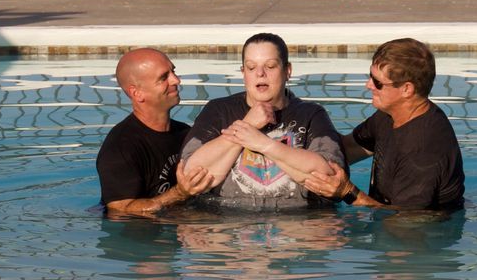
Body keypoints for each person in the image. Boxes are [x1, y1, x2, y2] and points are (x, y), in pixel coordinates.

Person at [177, 32, 344, 209]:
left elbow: (328, 177)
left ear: (288, 71)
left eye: (270, 66)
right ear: (243, 73)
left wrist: (265, 145)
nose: (260, 73)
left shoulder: (310, 114)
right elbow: (191, 175)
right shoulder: (218, 110)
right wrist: (246, 126)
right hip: (227, 221)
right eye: (251, 67)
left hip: (297, 222)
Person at [306, 37, 465, 210]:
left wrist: (347, 191)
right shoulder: (388, 116)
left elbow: (407, 222)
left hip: (428, 230)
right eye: (370, 76)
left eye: (377, 82)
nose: (368, 85)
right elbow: (346, 149)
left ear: (407, 89)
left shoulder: (423, 148)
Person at [96, 47, 194, 215]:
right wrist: (179, 193)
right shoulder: (120, 148)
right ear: (137, 93)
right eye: (164, 77)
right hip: (143, 234)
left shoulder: (185, 133)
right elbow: (121, 211)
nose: (176, 80)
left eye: (173, 72)